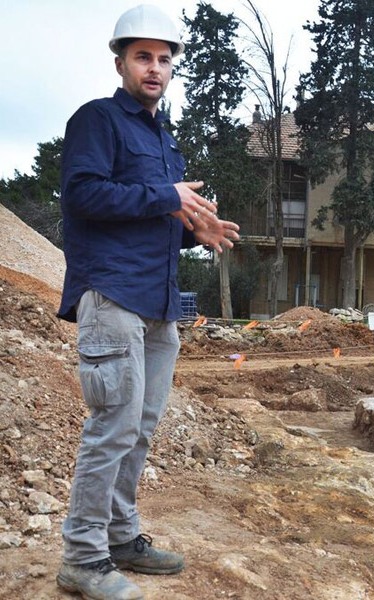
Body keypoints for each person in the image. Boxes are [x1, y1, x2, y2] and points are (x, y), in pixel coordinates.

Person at [56, 5, 240, 599]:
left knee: (141, 426)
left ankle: (120, 536)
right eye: (143, 56)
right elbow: (85, 195)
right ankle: (82, 559)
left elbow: (153, 213)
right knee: (112, 426)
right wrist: (166, 196)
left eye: (163, 59)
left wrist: (194, 231)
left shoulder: (164, 140)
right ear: (121, 62)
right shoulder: (98, 121)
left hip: (159, 303)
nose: (154, 68)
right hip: (111, 295)